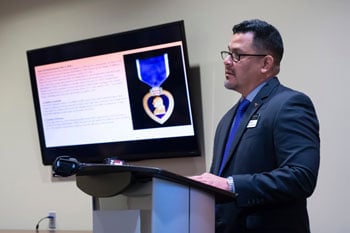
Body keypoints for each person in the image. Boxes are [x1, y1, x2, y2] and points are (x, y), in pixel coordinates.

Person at [190, 19, 320, 233]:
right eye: (228, 53)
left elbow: (301, 177)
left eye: (237, 55)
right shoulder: (228, 118)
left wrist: (231, 185)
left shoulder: (289, 104)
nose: (227, 61)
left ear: (266, 64)